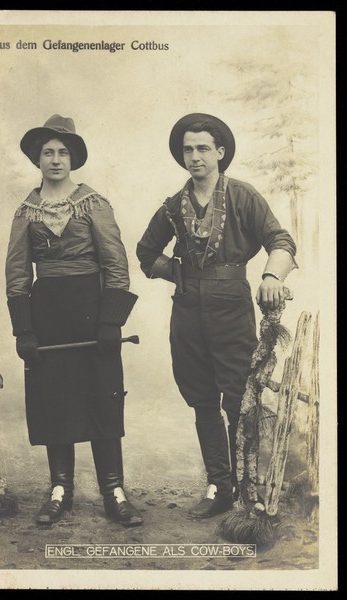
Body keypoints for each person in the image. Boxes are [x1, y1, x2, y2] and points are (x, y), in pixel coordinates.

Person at [136, 113, 297, 519]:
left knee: (238, 399)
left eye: (203, 148)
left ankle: (249, 490)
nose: (195, 157)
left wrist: (271, 274)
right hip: (188, 313)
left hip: (231, 308)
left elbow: (281, 241)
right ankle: (218, 487)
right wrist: (176, 270)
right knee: (202, 399)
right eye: (188, 149)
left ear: (220, 152)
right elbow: (145, 253)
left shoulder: (243, 196)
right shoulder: (174, 206)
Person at [6, 114, 143, 527]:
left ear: (73, 158)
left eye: (63, 152)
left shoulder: (94, 204)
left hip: (92, 313)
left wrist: (110, 323)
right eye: (48, 152)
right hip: (48, 316)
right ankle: (60, 489)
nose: (55, 159)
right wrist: (25, 330)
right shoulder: (25, 212)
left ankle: (114, 491)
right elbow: (17, 275)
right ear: (37, 159)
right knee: (55, 400)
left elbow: (117, 265)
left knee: (103, 396)